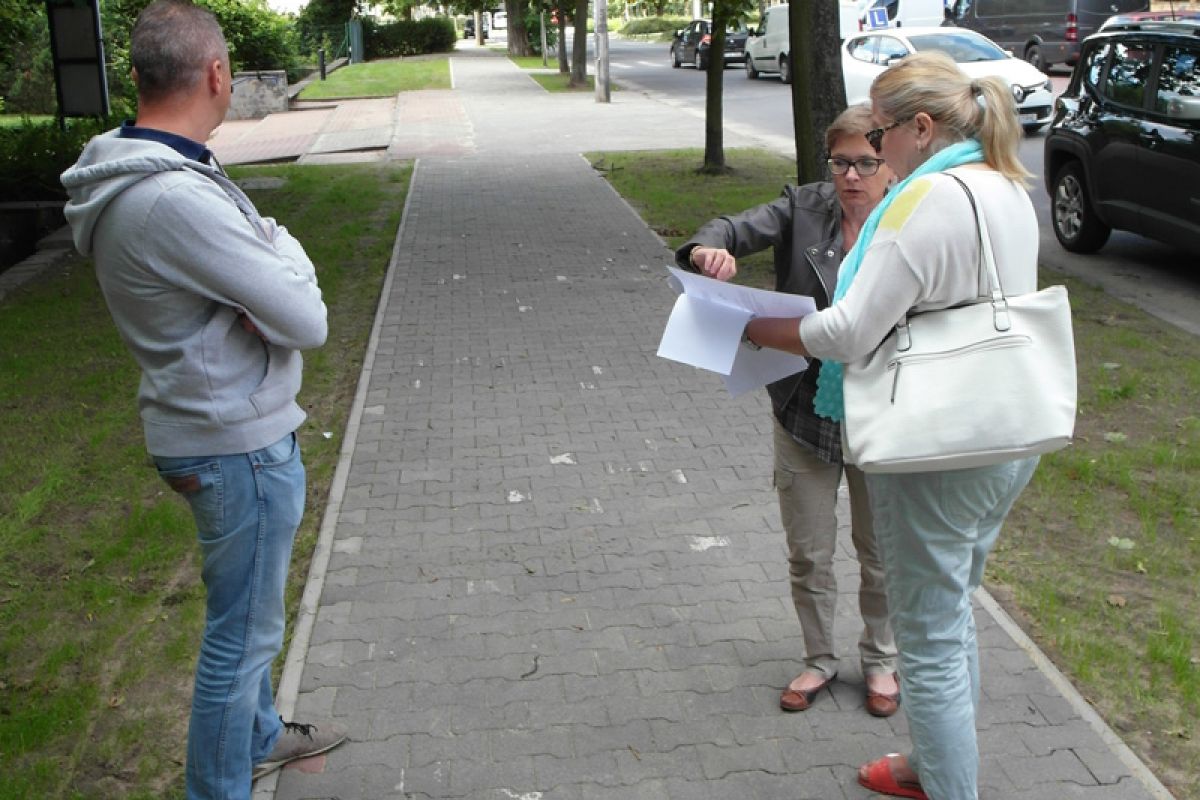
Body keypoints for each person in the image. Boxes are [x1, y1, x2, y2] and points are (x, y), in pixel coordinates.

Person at [60, 1, 345, 797]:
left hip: (208, 428)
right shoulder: (173, 200)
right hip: (234, 447)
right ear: (218, 74)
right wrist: (281, 246)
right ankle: (219, 787)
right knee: (242, 639)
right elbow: (309, 320)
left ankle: (259, 736)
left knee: (253, 618)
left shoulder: (144, 164)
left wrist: (264, 273)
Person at [743, 52, 1041, 800]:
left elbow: (847, 331)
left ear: (919, 126)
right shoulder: (1002, 185)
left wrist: (756, 328)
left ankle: (947, 786)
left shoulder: (925, 199)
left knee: (930, 639)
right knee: (951, 609)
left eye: (880, 132)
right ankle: (934, 765)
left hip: (937, 444)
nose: (875, 152)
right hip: (1002, 428)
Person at [677, 104, 901, 718]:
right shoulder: (804, 206)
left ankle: (881, 660)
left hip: (882, 414)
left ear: (890, 164)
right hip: (802, 413)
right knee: (809, 551)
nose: (851, 176)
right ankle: (820, 658)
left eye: (865, 162)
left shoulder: (911, 220)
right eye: (840, 162)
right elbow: (731, 226)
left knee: (879, 551)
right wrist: (709, 251)